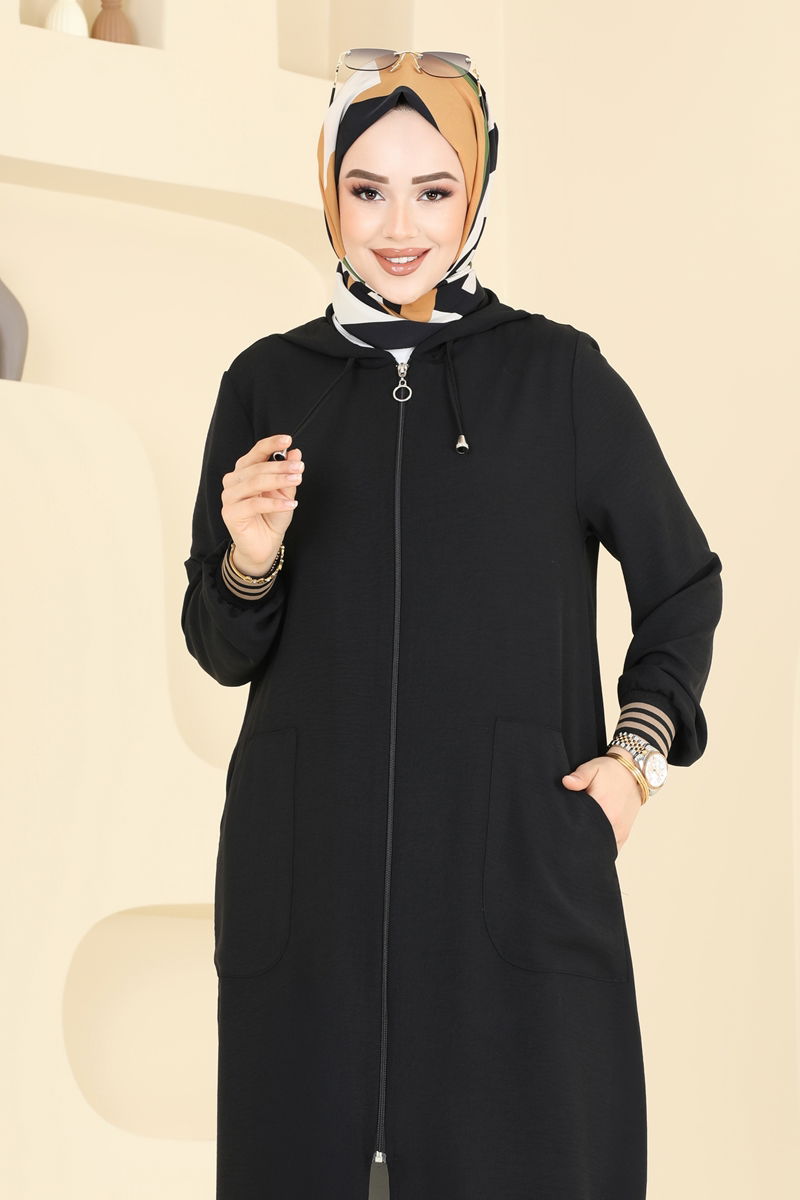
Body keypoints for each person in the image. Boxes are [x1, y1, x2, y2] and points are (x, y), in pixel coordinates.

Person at [181, 49, 723, 1200]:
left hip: (510, 891)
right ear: (327, 190)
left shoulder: (557, 379)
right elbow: (222, 647)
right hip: (309, 900)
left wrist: (634, 760)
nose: (398, 228)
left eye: (432, 190)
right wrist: (249, 557)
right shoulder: (266, 383)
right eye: (366, 189)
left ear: (473, 190)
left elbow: (681, 584)